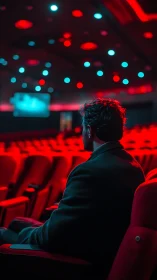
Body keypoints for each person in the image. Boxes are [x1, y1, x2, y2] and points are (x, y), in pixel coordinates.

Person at [0, 98, 145, 277]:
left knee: (3, 233)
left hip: (82, 260)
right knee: (16, 223)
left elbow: (51, 237)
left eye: (83, 128)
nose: (81, 133)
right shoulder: (133, 165)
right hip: (102, 245)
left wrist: (24, 235)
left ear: (90, 131)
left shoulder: (89, 171)